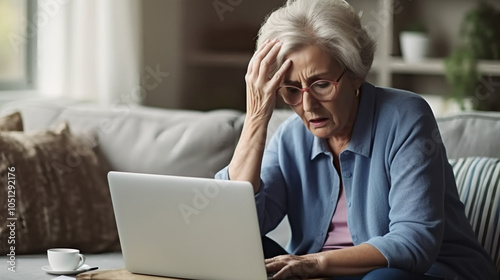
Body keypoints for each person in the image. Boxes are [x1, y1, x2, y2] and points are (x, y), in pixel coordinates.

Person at [215, 0, 498, 279]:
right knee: (238, 248)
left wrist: (314, 263)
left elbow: (414, 242)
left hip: (424, 272)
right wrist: (255, 119)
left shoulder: (406, 117)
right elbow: (236, 225)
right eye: (290, 89)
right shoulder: (290, 137)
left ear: (355, 75)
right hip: (319, 273)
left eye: (322, 84)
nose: (308, 105)